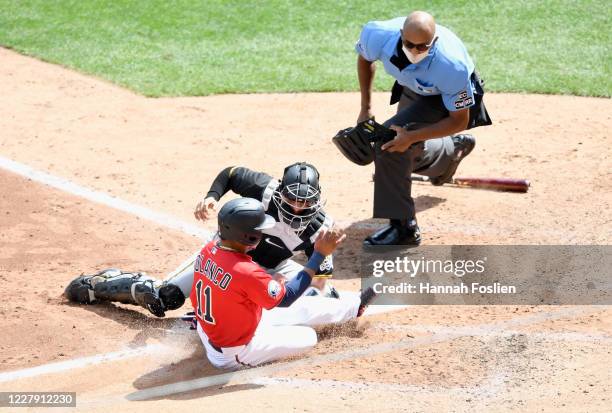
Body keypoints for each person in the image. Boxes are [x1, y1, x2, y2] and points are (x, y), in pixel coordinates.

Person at [64, 162, 342, 317]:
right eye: (292, 198)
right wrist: (212, 196)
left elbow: (320, 277)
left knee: (325, 297)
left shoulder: (321, 228)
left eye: (305, 201)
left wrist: (297, 288)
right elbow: (231, 174)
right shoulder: (265, 189)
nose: (297, 207)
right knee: (165, 297)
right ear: (281, 191)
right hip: (225, 258)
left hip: (273, 267)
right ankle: (105, 283)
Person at [355, 11, 492, 246]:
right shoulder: (376, 35)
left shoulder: (451, 66)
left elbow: (458, 120)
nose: (415, 51)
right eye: (409, 45)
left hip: (445, 99)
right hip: (415, 87)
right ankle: (449, 152)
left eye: (423, 47)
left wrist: (412, 136)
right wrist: (365, 108)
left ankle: (404, 228)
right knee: (402, 147)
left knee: (389, 144)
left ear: (434, 41)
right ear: (400, 35)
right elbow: (365, 60)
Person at [191, 197, 374, 368]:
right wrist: (318, 254)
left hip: (212, 329)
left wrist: (272, 284)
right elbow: (286, 297)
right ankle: (274, 337)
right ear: (248, 236)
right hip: (234, 352)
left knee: (303, 307)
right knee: (308, 336)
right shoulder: (245, 271)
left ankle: (354, 307)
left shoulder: (208, 250)